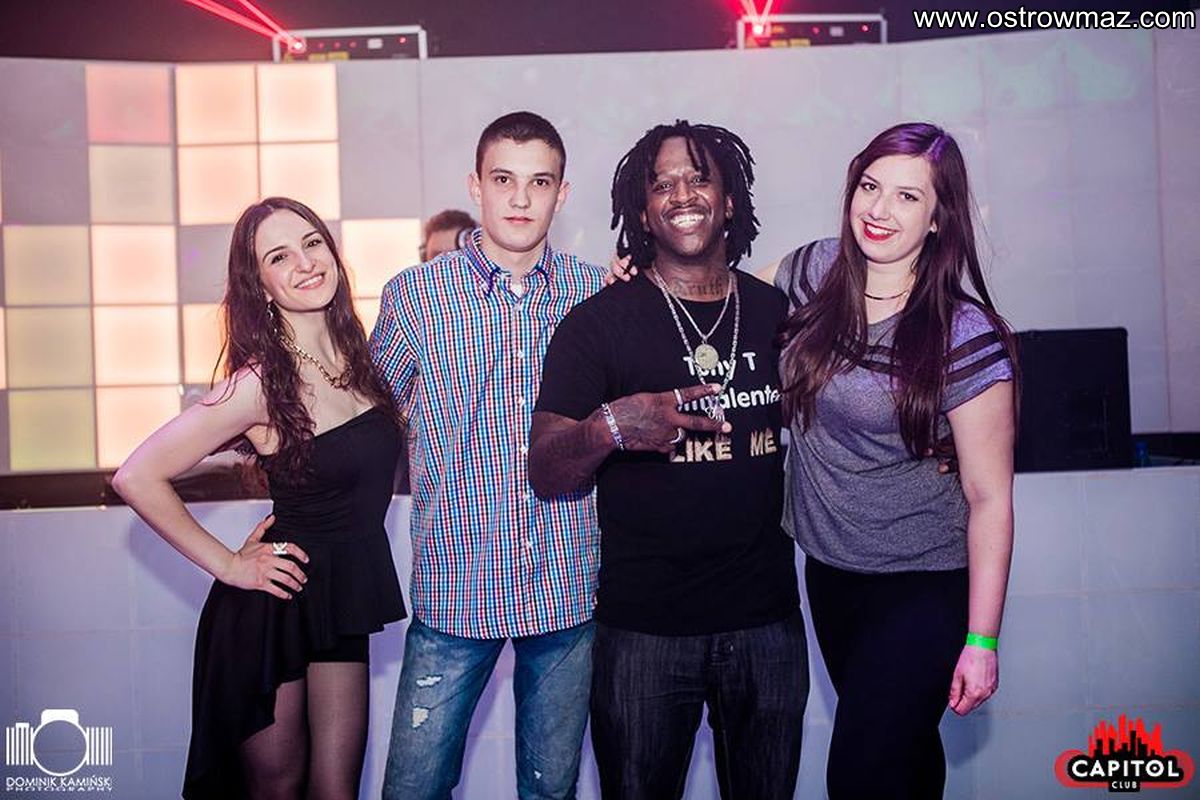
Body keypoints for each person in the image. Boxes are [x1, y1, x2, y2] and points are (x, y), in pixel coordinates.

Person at [529, 120, 809, 800]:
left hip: (767, 621)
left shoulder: (776, 314)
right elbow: (547, 470)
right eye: (663, 185)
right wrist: (612, 428)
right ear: (643, 209)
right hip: (644, 633)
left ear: (730, 200)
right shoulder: (599, 323)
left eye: (699, 179)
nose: (682, 195)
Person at [112, 196, 407, 799]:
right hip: (272, 608)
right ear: (261, 286)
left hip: (341, 601)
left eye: (312, 243)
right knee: (277, 790)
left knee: (337, 791)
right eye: (279, 257)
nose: (305, 263)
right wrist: (228, 564)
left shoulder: (361, 360)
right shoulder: (259, 384)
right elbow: (136, 475)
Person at [773, 122, 1017, 799]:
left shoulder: (963, 336)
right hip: (831, 573)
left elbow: (990, 497)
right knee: (903, 765)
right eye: (870, 186)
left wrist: (982, 641)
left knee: (861, 775)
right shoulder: (811, 272)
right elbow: (719, 301)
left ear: (939, 218)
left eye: (908, 197)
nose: (878, 210)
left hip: (922, 585)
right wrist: (638, 279)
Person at [371, 111, 606, 800]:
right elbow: (368, 426)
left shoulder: (595, 293)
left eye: (540, 182)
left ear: (562, 193)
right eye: (504, 180)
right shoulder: (416, 296)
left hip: (565, 585)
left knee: (550, 791)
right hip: (455, 586)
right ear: (475, 186)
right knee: (412, 789)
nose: (521, 199)